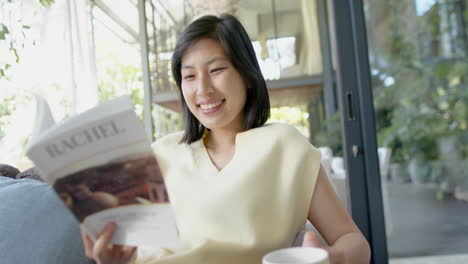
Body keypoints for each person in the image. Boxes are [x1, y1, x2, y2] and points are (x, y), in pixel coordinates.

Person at [81, 14, 371, 264]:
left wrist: (326, 259)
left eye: (216, 70)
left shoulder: (285, 146)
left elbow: (353, 242)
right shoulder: (158, 155)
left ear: (246, 74)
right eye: (189, 76)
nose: (203, 89)